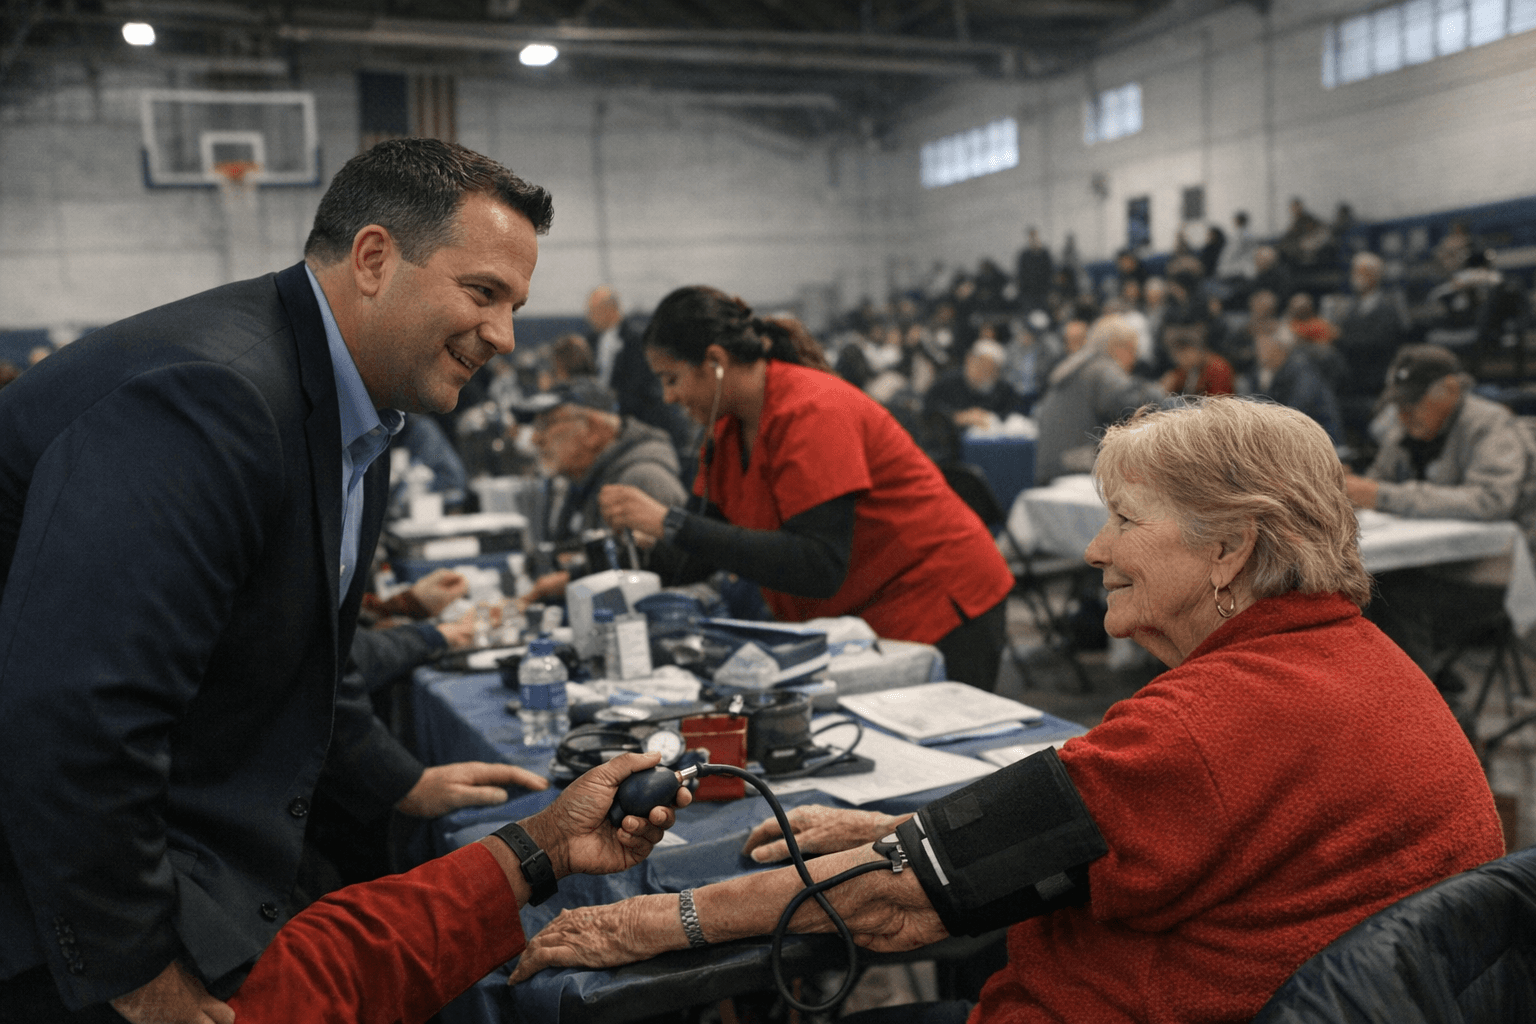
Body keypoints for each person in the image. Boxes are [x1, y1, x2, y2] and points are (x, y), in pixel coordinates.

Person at [513, 397, 1504, 1024]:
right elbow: (1108, 832)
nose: (1096, 550)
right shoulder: (1356, 663)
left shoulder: (1203, 728)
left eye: (1125, 521)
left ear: (1230, 549)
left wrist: (648, 921)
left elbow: (897, 899)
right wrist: (900, 830)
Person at [0, 138, 553, 1021]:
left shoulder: (354, 404)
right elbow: (78, 716)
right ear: (373, 258)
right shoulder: (211, 397)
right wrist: (139, 976)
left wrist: (399, 782)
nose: (504, 335)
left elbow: (306, 649)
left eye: (515, 306)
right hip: (56, 918)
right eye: (482, 292)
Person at [597, 286, 1014, 691]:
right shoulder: (726, 431)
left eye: (672, 379)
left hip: (938, 600)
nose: (668, 397)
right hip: (863, 614)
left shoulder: (812, 410)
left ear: (715, 361)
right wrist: (637, 548)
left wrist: (671, 522)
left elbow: (817, 564)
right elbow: (702, 552)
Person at [1344, 345, 1536, 687]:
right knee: (1356, 589)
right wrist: (1348, 490)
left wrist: (1381, 495)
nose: (1404, 415)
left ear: (1450, 389)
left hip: (1494, 572)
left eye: (1413, 403)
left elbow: (1492, 501)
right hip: (1430, 563)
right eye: (1399, 404)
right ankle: (1425, 683)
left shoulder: (1491, 425)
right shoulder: (1405, 429)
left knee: (1391, 595)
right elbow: (1375, 482)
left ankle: (1421, 699)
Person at [516, 378, 688, 609]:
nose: (535, 439)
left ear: (594, 430)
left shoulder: (641, 480)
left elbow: (652, 583)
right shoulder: (583, 481)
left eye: (546, 424)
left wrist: (573, 582)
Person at [1033, 314, 1164, 484]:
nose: (1134, 359)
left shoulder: (1074, 367)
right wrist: (1160, 392)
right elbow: (1131, 404)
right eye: (1132, 349)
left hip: (1053, 470)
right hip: (1078, 471)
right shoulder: (1101, 368)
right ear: (1118, 347)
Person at [585, 285, 692, 456]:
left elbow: (640, 385)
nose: (589, 316)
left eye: (593, 310)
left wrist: (610, 409)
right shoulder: (590, 341)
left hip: (639, 418)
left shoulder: (638, 340)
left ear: (611, 309)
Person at [921, 338, 1022, 461]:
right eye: (979, 365)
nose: (981, 372)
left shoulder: (1004, 390)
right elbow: (929, 409)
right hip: (949, 451)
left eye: (988, 369)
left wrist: (988, 418)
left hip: (992, 451)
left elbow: (1013, 415)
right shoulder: (946, 383)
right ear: (969, 359)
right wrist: (957, 417)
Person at [1252, 320, 1344, 444]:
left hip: (1321, 441)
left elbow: (1297, 410)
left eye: (1263, 348)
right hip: (1295, 437)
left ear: (1280, 348)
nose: (1259, 354)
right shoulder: (1269, 372)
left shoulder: (1302, 370)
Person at [1159, 324, 1234, 397]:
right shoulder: (1188, 368)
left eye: (1179, 355)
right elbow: (1167, 387)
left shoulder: (1218, 368)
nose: (1177, 361)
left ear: (1191, 349)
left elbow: (1219, 402)